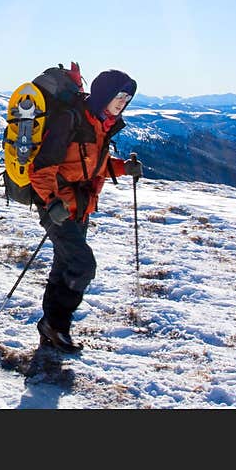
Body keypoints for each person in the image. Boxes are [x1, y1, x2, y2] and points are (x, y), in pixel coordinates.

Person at [29, 68, 142, 353]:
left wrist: (123, 168)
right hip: (57, 206)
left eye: (127, 97)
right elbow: (41, 167)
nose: (123, 101)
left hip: (79, 206)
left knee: (64, 265)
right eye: (119, 95)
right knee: (82, 265)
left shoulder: (102, 124)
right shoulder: (71, 120)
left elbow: (94, 165)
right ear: (105, 94)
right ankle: (56, 325)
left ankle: (52, 328)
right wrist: (51, 202)